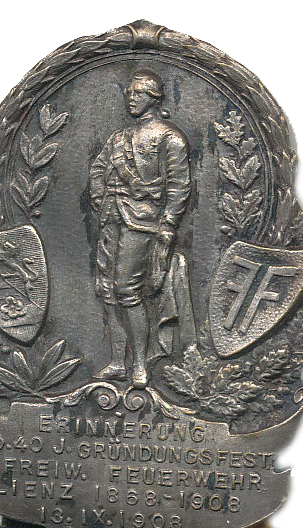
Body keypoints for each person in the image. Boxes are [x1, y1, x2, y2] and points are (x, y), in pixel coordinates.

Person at [89, 69, 192, 388]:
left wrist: (168, 225)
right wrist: (100, 199)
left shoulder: (170, 138)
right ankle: (117, 363)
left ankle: (139, 366)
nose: (131, 98)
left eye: (138, 93)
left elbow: (179, 186)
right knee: (107, 291)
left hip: (143, 223)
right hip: (111, 217)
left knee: (126, 290)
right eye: (129, 93)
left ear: (154, 97)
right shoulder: (118, 137)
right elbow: (98, 169)